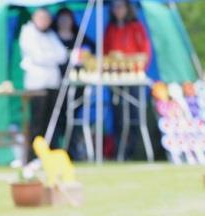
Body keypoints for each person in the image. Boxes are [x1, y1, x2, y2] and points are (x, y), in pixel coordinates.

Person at [104, 0, 152, 160]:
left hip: (133, 77)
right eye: (114, 7)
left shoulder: (136, 27)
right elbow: (105, 52)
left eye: (120, 6)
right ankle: (119, 151)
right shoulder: (110, 28)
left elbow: (145, 52)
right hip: (116, 77)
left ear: (127, 8)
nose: (117, 10)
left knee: (134, 114)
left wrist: (138, 67)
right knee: (117, 115)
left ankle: (135, 150)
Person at [19, 8, 68, 161]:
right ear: (34, 18)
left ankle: (50, 154)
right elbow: (38, 57)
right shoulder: (27, 33)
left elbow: (63, 55)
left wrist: (50, 57)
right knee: (37, 122)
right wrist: (51, 57)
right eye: (41, 18)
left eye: (46, 18)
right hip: (36, 84)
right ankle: (33, 156)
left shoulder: (51, 35)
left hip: (52, 83)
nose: (44, 21)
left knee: (51, 121)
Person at [54, 6, 95, 160]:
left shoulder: (80, 37)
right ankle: (57, 150)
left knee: (74, 118)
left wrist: (83, 55)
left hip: (77, 84)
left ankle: (73, 151)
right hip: (58, 83)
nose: (64, 22)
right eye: (62, 19)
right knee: (59, 118)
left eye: (67, 19)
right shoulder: (53, 36)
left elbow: (92, 49)